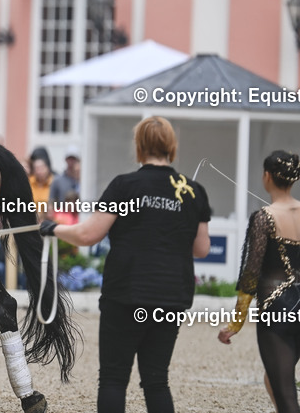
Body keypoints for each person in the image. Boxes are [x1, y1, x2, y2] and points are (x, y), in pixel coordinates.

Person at [40, 116, 211, 413]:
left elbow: (88, 234)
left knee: (114, 379)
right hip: (171, 296)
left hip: (127, 295)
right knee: (157, 381)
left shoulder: (125, 186)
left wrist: (52, 228)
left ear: (139, 146)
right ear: (171, 146)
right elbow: (202, 248)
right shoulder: (193, 191)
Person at [218, 150, 300, 413]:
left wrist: (236, 322)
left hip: (278, 310)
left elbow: (251, 274)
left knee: (286, 393)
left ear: (267, 177)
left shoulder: (264, 218)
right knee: (275, 380)